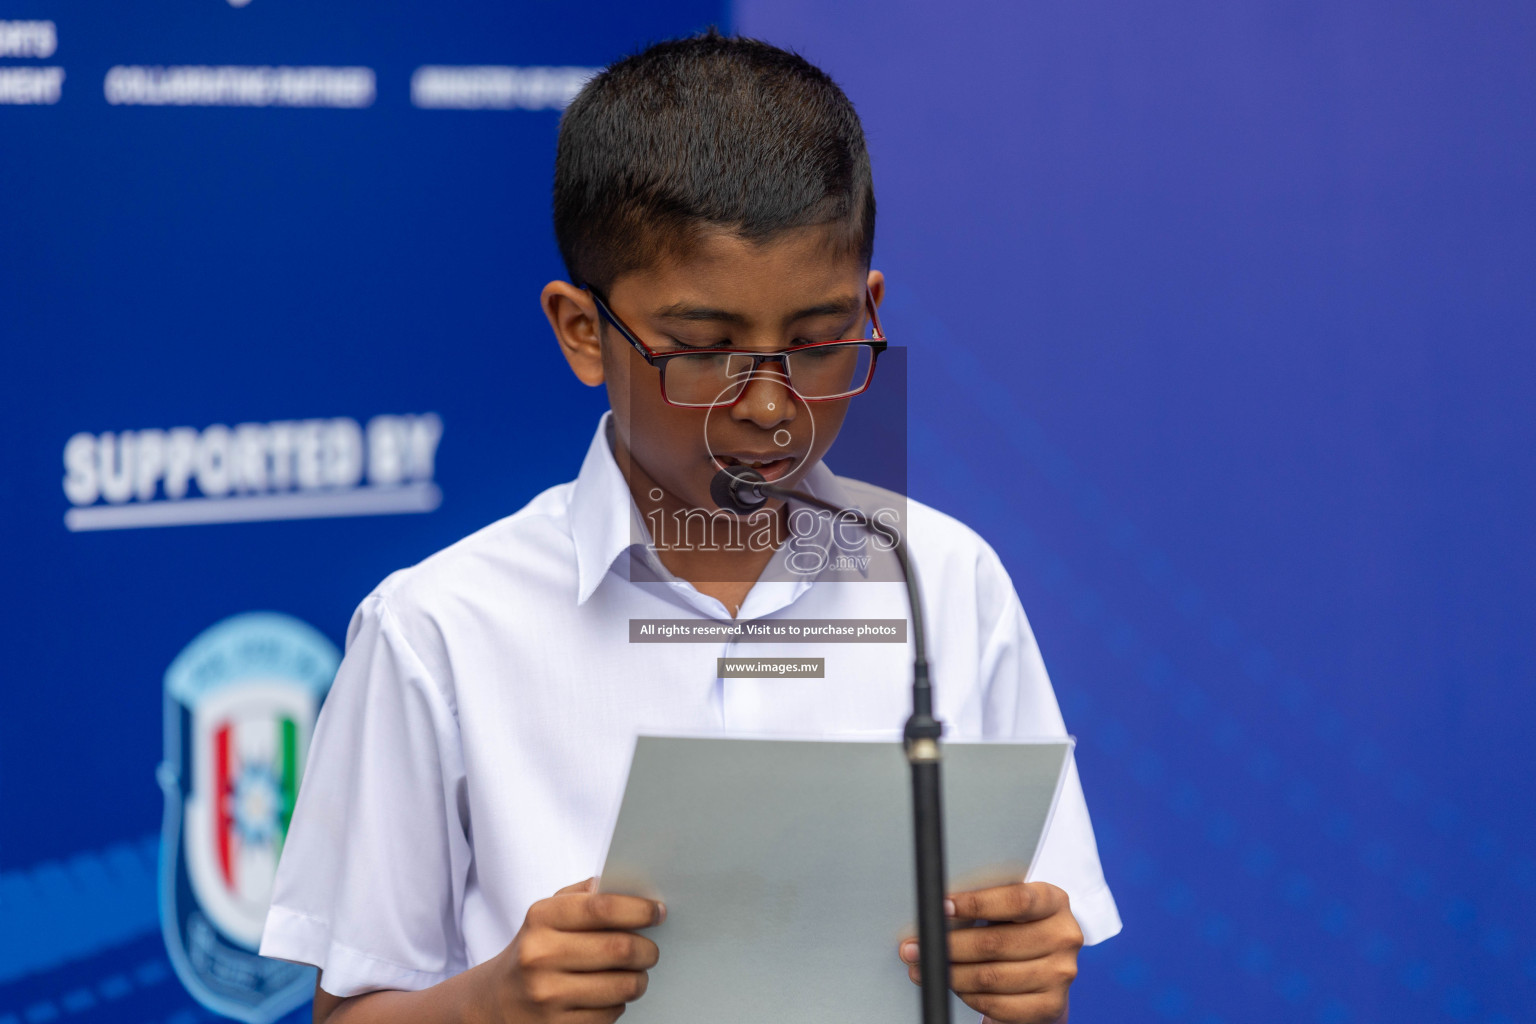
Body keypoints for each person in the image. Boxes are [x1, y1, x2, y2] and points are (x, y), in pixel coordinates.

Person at [259, 30, 1120, 1024]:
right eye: (704, 350)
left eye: (817, 342)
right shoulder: (437, 630)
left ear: (870, 306)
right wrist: (494, 1001)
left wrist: (1026, 982)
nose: (767, 404)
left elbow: (1029, 952)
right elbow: (346, 1011)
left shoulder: (948, 581)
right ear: (583, 331)